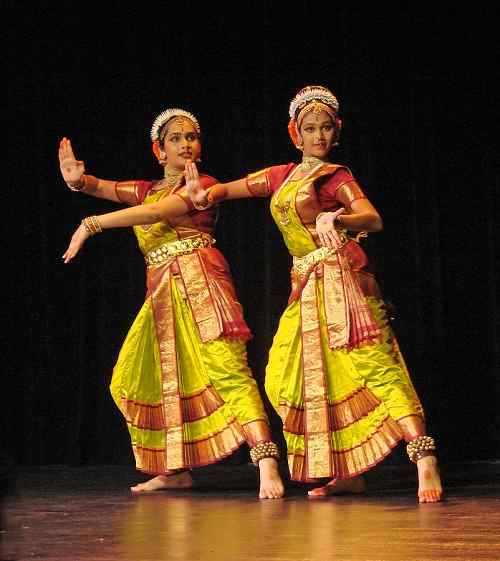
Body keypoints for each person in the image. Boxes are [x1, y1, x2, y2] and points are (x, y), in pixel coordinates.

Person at [184, 85, 443, 503]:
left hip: (346, 283)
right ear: (295, 134)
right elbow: (232, 189)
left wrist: (338, 218)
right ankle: (346, 472)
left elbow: (372, 218)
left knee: (376, 366)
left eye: (325, 128)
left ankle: (424, 458)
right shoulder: (281, 176)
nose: (318, 136)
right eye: (310, 128)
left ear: (335, 132)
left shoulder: (337, 176)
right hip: (305, 287)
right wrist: (205, 194)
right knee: (290, 375)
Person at [59, 107, 284, 499]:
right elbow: (106, 188)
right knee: (137, 378)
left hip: (201, 282)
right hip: (161, 294)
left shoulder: (204, 184)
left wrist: (91, 224)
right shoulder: (146, 188)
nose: (186, 144)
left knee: (227, 369)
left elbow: (158, 213)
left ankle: (266, 463)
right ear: (158, 150)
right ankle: (173, 469)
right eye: (176, 139)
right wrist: (80, 183)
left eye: (192, 137)